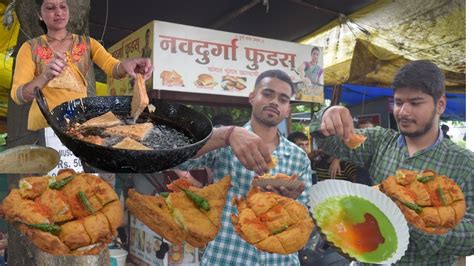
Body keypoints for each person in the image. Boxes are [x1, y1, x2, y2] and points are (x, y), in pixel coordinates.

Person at [309, 60, 473, 265]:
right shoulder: (380, 142)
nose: (403, 111)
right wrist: (327, 115)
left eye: (415, 103)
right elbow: (330, 143)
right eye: (398, 102)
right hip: (367, 254)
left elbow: (471, 235)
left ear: (440, 104)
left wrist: (419, 222)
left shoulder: (464, 163)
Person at [177, 69, 312, 265]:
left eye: (283, 99)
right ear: (252, 97)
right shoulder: (226, 140)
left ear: (288, 110)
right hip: (227, 255)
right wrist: (226, 135)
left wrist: (288, 203)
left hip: (280, 259)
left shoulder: (299, 157)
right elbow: (179, 159)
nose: (274, 102)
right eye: (267, 94)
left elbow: (303, 213)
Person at [10, 0, 153, 143]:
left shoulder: (87, 44)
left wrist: (127, 65)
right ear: (39, 14)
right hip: (47, 126)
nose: (58, 12)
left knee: (80, 164)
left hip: (79, 123)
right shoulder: (30, 48)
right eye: (50, 7)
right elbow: (19, 95)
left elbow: (112, 67)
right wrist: (46, 75)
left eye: (62, 6)